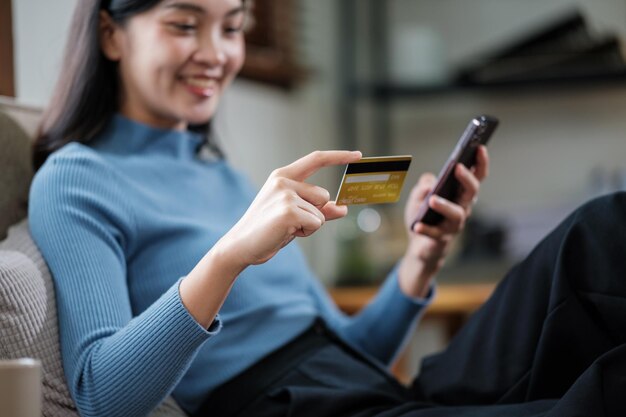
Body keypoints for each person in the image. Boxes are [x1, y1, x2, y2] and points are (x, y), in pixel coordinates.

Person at [28, 1, 626, 417]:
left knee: (601, 231)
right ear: (110, 33)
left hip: (373, 390)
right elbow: (102, 397)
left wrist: (421, 258)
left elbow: (348, 347)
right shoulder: (78, 178)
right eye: (185, 23)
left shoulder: (227, 175)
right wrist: (228, 256)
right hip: (290, 408)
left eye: (233, 27)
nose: (215, 52)